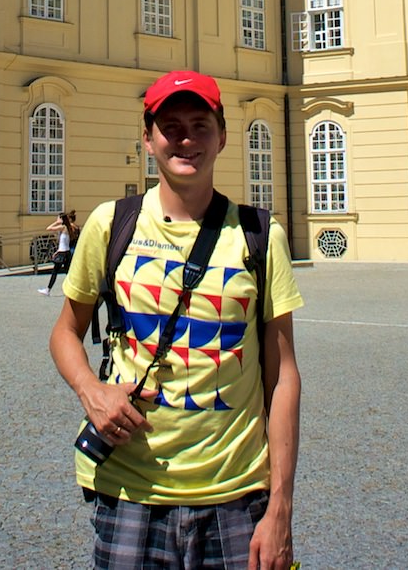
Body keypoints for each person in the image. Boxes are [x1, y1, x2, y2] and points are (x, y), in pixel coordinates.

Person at [48, 70, 303, 570]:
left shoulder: (258, 235)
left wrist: (281, 508)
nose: (186, 139)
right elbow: (65, 332)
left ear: (223, 135)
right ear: (147, 139)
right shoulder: (110, 224)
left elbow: (284, 375)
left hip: (235, 493)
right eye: (171, 126)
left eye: (200, 125)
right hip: (130, 490)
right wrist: (90, 391)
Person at [38, 210, 76, 295]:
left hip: (63, 253)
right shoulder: (68, 227)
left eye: (58, 218)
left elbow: (48, 228)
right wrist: (57, 251)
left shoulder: (63, 227)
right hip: (66, 252)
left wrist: (56, 222)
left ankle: (47, 290)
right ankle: (73, 289)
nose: (57, 219)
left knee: (55, 271)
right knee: (67, 272)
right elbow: (64, 243)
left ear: (61, 219)